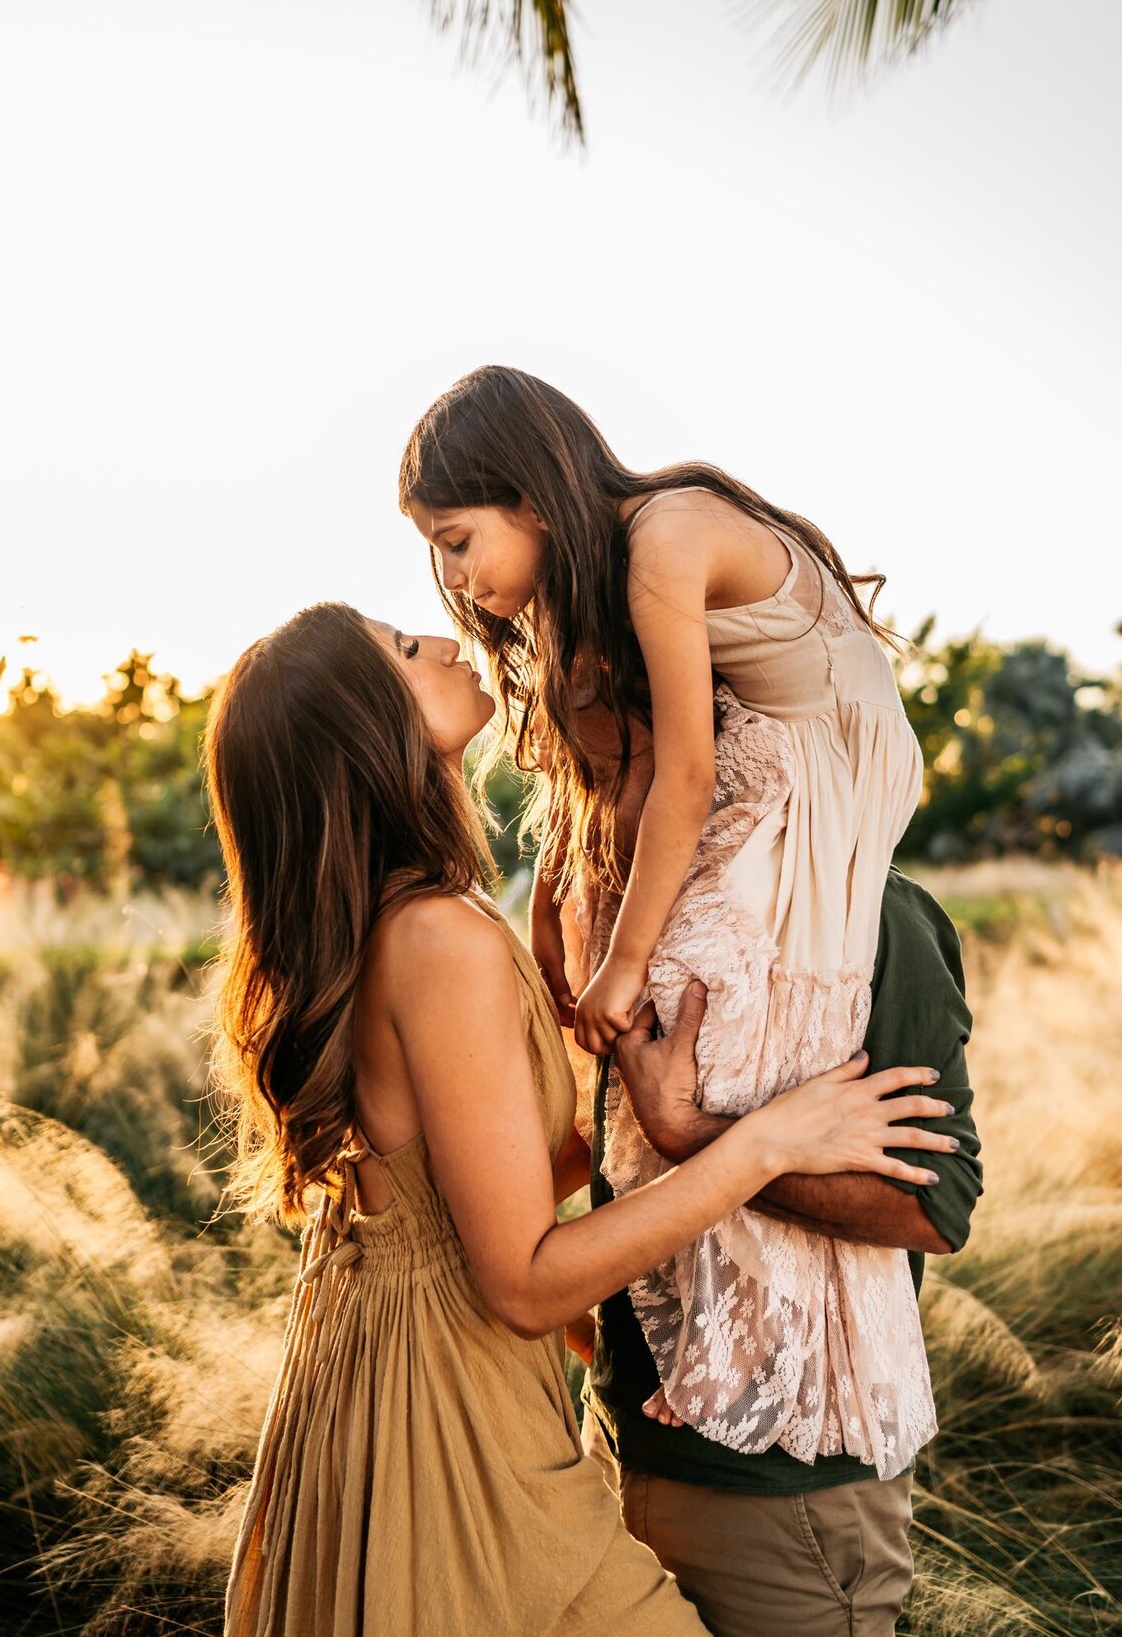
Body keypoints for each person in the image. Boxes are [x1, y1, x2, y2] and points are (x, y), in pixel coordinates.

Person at [207, 603, 954, 1637]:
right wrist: (762, 1140)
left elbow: (474, 1179)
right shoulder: (437, 936)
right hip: (447, 1410)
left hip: (382, 1364)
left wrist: (617, 1076)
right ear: (363, 729)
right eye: (404, 651)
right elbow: (521, 1280)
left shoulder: (410, 918)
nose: (439, 635)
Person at [399, 365, 936, 1475]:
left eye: (456, 539)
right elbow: (637, 784)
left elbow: (685, 771)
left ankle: (752, 1360)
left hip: (816, 773)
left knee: (707, 1029)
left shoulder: (664, 538)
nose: (449, 577)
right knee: (684, 1056)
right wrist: (563, 904)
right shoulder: (622, 575)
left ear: (530, 496)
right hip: (783, 767)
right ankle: (679, 1336)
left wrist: (619, 966)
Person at [583, 863, 982, 1636]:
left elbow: (937, 1206)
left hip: (784, 1499)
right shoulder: (625, 910)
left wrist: (692, 1132)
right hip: (610, 1447)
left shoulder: (871, 914)